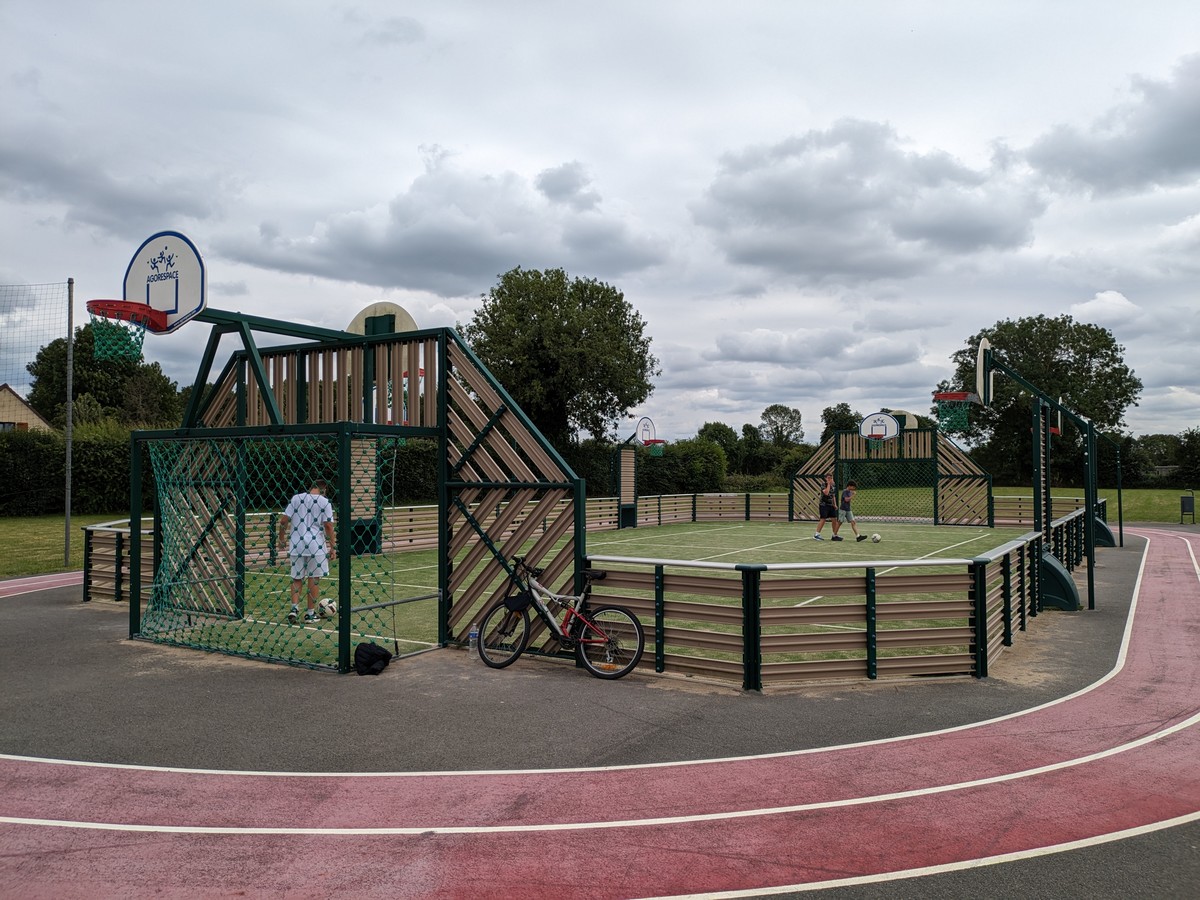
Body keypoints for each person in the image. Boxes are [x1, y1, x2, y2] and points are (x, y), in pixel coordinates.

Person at [278, 479, 336, 623]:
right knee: (313, 578)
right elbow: (328, 526)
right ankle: (310, 614)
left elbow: (283, 520)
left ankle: (294, 609)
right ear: (324, 490)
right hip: (316, 546)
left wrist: (281, 538)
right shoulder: (324, 502)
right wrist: (333, 547)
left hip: (297, 544)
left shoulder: (296, 498)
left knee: (297, 578)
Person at [814, 473, 842, 541]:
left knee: (834, 519)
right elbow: (826, 493)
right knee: (823, 519)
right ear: (826, 478)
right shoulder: (823, 485)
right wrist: (829, 484)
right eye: (828, 478)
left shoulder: (833, 486)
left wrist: (835, 504)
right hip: (823, 504)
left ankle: (834, 535)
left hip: (830, 505)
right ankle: (817, 534)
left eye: (831, 478)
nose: (830, 479)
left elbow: (833, 496)